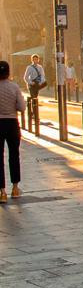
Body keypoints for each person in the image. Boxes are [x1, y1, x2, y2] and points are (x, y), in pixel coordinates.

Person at [0, 61, 25, 203]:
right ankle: (15, 188)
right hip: (12, 123)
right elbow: (22, 107)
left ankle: (1, 192)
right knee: (14, 155)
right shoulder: (14, 87)